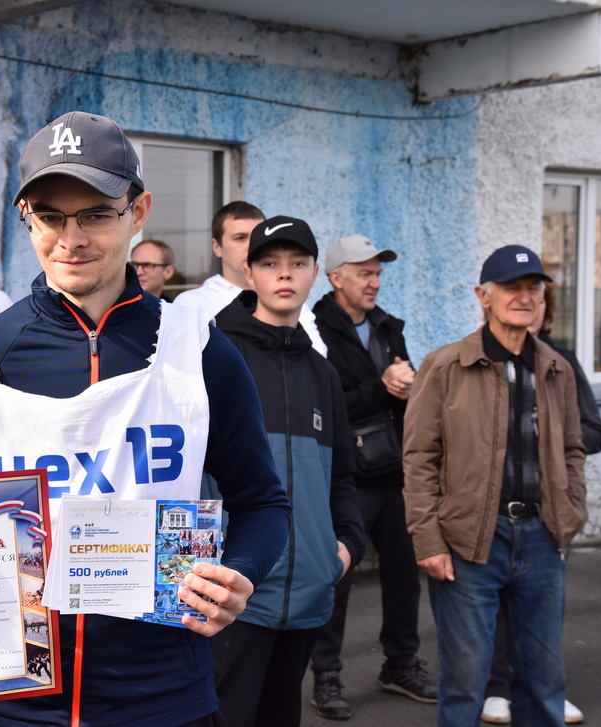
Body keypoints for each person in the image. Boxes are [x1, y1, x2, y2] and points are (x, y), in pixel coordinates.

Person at [0, 110, 291, 727]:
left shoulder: (198, 349)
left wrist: (238, 574)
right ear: (26, 217)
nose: (71, 238)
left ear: (138, 212)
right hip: (12, 700)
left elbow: (263, 503)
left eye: (95, 214)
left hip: (164, 696)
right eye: (50, 216)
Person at [404, 244, 587, 727]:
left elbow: (573, 448)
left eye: (533, 288)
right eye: (511, 287)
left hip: (543, 538)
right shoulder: (445, 366)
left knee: (544, 679)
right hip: (468, 540)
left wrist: (571, 513)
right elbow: (420, 458)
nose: (524, 297)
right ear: (483, 296)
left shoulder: (557, 368)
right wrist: (428, 539)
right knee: (466, 678)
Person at [209, 216, 364, 727]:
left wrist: (343, 549)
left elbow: (341, 477)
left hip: (308, 591)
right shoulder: (214, 357)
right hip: (235, 590)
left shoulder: (322, 372)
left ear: (316, 273)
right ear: (248, 273)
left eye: (297, 263)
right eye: (270, 263)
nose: (284, 274)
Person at [309, 234, 437, 719]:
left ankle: (401, 664)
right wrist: (382, 387)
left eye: (378, 273)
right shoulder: (316, 328)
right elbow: (325, 404)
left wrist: (409, 384)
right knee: (337, 576)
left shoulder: (387, 327)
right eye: (364, 273)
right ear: (335, 277)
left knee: (404, 576)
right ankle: (326, 675)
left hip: (395, 470)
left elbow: (402, 387)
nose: (374, 282)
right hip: (348, 476)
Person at [174, 201, 326, 355]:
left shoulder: (290, 301)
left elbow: (317, 358)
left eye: (256, 237)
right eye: (240, 238)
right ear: (217, 247)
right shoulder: (191, 304)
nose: (251, 246)